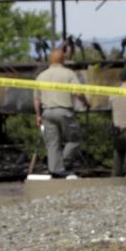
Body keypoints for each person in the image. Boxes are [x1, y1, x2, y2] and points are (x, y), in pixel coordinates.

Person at [34, 45, 90, 177]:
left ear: (50, 60)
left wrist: (38, 115)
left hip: (47, 112)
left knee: (52, 144)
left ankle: (55, 170)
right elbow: (77, 92)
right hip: (64, 111)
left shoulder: (41, 76)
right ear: (63, 59)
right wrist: (85, 102)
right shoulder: (68, 73)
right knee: (74, 140)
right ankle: (63, 163)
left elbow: (37, 99)